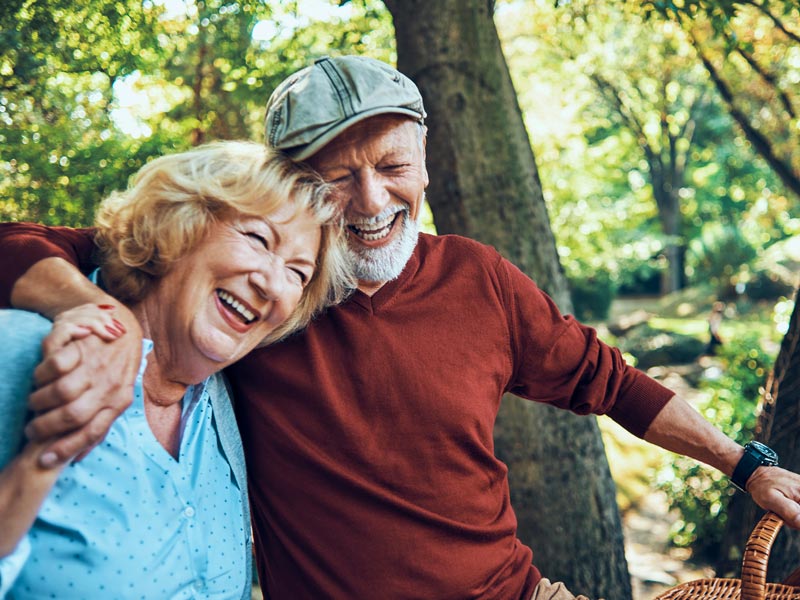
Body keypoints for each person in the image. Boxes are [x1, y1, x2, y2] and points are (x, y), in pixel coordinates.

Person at [2, 56, 800, 600]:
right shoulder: (249, 300)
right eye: (337, 177)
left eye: (391, 167)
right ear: (294, 193)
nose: (373, 201)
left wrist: (747, 465)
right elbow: (42, 244)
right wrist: (85, 309)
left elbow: (611, 381)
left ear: (424, 161)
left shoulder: (478, 278)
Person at [0, 140, 351, 598]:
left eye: (297, 273)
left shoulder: (228, 405)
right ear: (179, 225)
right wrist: (41, 460)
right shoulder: (24, 350)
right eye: (258, 239)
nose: (271, 285)